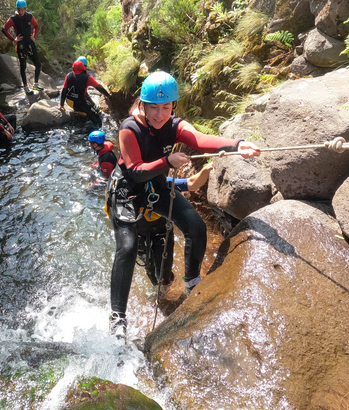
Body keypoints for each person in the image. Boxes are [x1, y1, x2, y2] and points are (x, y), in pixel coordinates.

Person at [106, 71, 260, 339]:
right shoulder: (129, 129)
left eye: (166, 107)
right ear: (142, 104)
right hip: (128, 188)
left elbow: (200, 140)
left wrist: (238, 144)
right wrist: (167, 163)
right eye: (153, 107)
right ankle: (118, 315)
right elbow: (135, 170)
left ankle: (191, 283)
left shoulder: (175, 125)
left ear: (173, 106)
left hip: (155, 185)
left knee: (196, 227)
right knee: (128, 247)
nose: (160, 114)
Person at [138, 162, 214, 287]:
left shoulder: (160, 185)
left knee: (164, 275)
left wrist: (204, 171)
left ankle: (167, 285)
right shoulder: (129, 190)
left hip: (161, 234)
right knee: (150, 268)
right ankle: (158, 289)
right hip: (140, 236)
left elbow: (190, 183)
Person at [1, 0, 42, 93]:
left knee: (38, 63)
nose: (20, 12)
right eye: (19, 10)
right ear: (17, 9)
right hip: (21, 44)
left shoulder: (29, 16)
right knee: (23, 66)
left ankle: (35, 84)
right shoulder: (13, 18)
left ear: (25, 9)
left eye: (22, 10)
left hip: (30, 42)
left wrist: (34, 36)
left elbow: (36, 25)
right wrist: (13, 39)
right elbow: (4, 29)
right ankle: (26, 87)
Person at [59, 58, 112, 128]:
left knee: (91, 106)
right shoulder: (87, 77)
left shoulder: (68, 76)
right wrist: (108, 95)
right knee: (97, 119)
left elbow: (64, 91)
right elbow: (99, 87)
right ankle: (94, 135)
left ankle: (85, 115)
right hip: (80, 104)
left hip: (69, 102)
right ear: (83, 67)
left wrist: (61, 105)